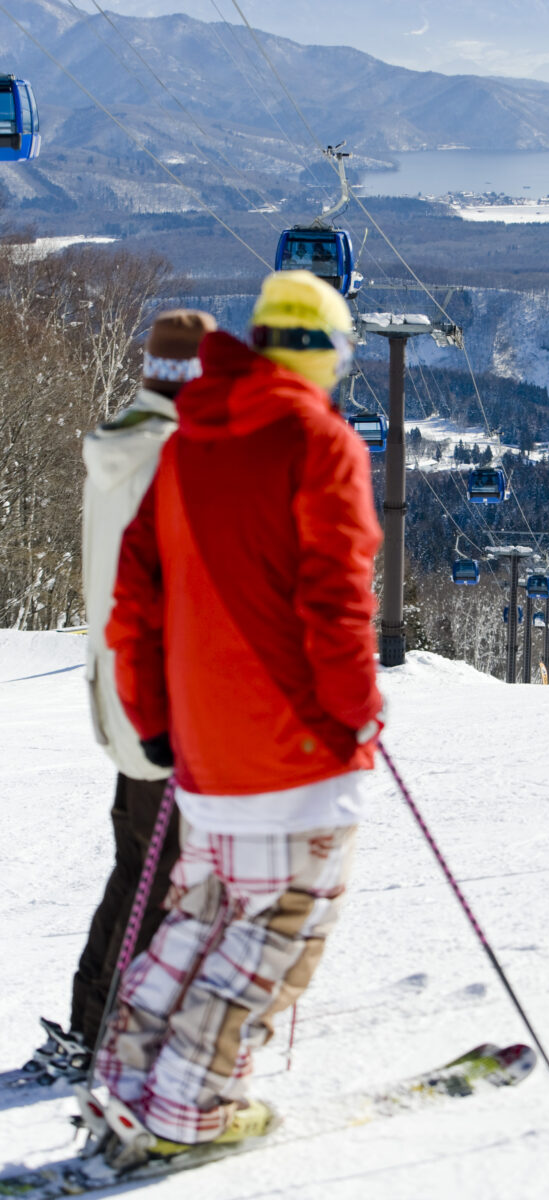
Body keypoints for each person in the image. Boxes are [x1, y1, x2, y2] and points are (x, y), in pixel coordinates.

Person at [96, 270, 383, 1157]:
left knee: (200, 916)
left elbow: (135, 600)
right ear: (324, 352)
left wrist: (153, 720)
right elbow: (336, 601)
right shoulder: (318, 439)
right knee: (279, 931)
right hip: (294, 746)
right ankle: (191, 1105)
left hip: (205, 748)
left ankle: (127, 1082)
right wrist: (358, 712)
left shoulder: (187, 443)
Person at [28, 310, 217, 1080]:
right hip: (164, 695)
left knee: (141, 859)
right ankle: (107, 1032)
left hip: (119, 686)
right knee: (161, 869)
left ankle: (94, 1019)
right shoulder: (176, 456)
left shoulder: (120, 442)